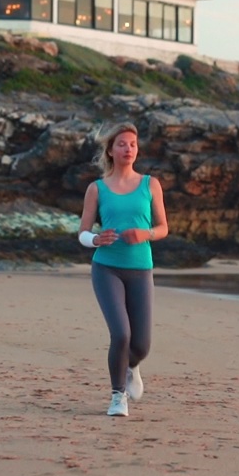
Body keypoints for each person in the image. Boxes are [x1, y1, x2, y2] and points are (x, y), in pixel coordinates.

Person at [77, 122, 168, 417]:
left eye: (132, 144)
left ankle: (132, 367)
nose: (128, 148)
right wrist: (95, 239)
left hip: (141, 269)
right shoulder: (97, 189)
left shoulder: (150, 185)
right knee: (121, 334)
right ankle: (118, 397)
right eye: (122, 144)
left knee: (141, 345)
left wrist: (146, 234)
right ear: (111, 150)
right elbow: (83, 232)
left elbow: (163, 227)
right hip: (107, 269)